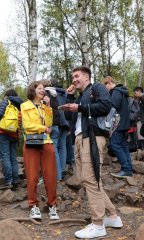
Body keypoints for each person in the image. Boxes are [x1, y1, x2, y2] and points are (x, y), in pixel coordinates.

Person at [61, 66, 123, 239]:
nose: (74, 79)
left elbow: (105, 105)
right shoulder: (80, 97)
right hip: (80, 138)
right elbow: (69, 119)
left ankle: (98, 224)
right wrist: (70, 98)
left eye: (77, 76)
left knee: (91, 178)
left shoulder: (97, 88)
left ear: (86, 76)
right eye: (72, 77)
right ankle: (112, 216)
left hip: (93, 137)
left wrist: (79, 108)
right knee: (88, 179)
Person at [21, 81, 59, 221]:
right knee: (32, 176)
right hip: (31, 142)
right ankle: (33, 206)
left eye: (44, 89)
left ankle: (52, 205)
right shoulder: (25, 105)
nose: (43, 90)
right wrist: (43, 128)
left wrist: (48, 107)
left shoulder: (46, 107)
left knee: (51, 176)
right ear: (33, 90)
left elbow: (49, 124)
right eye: (40, 88)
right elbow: (27, 125)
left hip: (47, 142)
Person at [102, 76, 132, 178]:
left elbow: (112, 105)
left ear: (109, 83)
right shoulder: (122, 92)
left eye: (105, 86)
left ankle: (125, 169)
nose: (105, 89)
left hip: (118, 124)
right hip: (125, 123)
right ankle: (128, 169)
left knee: (115, 145)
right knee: (123, 146)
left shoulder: (116, 92)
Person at [0, 89, 23, 190]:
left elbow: (0, 114)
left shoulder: (7, 101)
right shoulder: (20, 105)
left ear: (7, 95)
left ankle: (8, 181)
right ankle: (15, 181)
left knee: (5, 157)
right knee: (13, 158)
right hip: (14, 134)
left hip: (3, 132)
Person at [51, 79, 70, 179]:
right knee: (63, 146)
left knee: (55, 148)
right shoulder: (65, 94)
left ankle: (57, 174)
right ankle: (62, 170)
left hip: (58, 122)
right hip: (66, 122)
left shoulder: (52, 93)